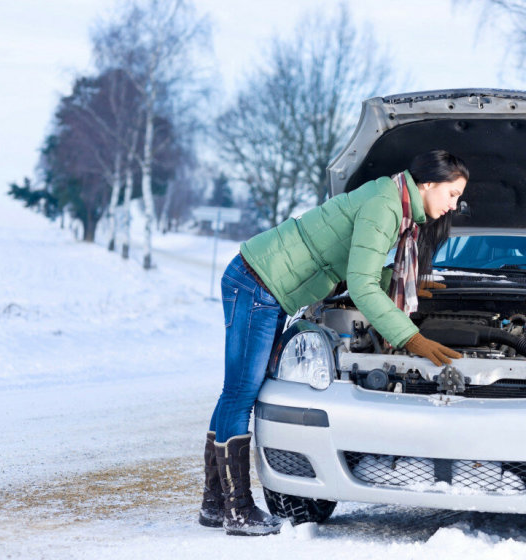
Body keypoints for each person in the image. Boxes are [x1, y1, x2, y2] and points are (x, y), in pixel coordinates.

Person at [199, 149, 470, 535]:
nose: (454, 205)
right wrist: (411, 338)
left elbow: (355, 265)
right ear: (428, 183)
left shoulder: (389, 198)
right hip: (257, 282)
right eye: (452, 194)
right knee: (240, 394)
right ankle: (237, 509)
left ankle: (215, 505)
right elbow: (359, 285)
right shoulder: (385, 206)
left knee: (235, 393)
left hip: (265, 284)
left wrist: (404, 280)